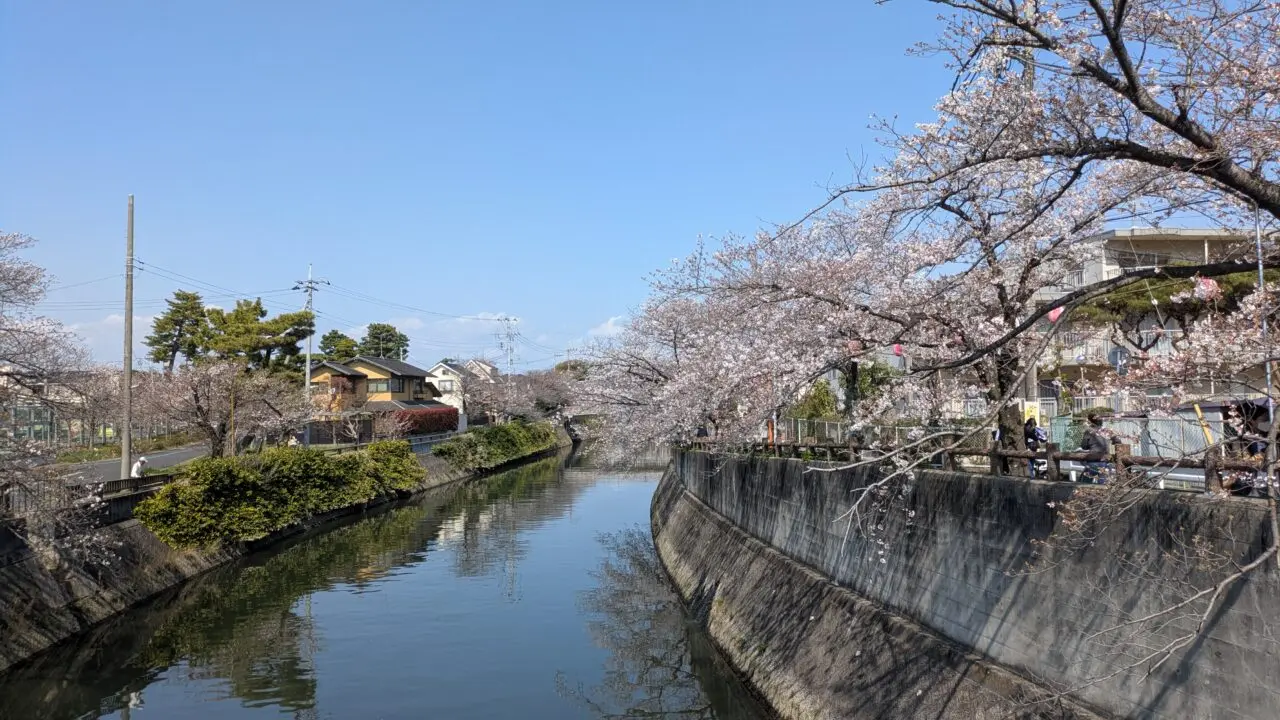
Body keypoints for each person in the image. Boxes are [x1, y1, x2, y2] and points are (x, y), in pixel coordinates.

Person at [1079, 414, 1109, 483]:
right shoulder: (1106, 430)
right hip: (1105, 461)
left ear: (1090, 421)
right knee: (1103, 484)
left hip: (1093, 460)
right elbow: (1117, 440)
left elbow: (1084, 446)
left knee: (1085, 483)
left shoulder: (1089, 431)